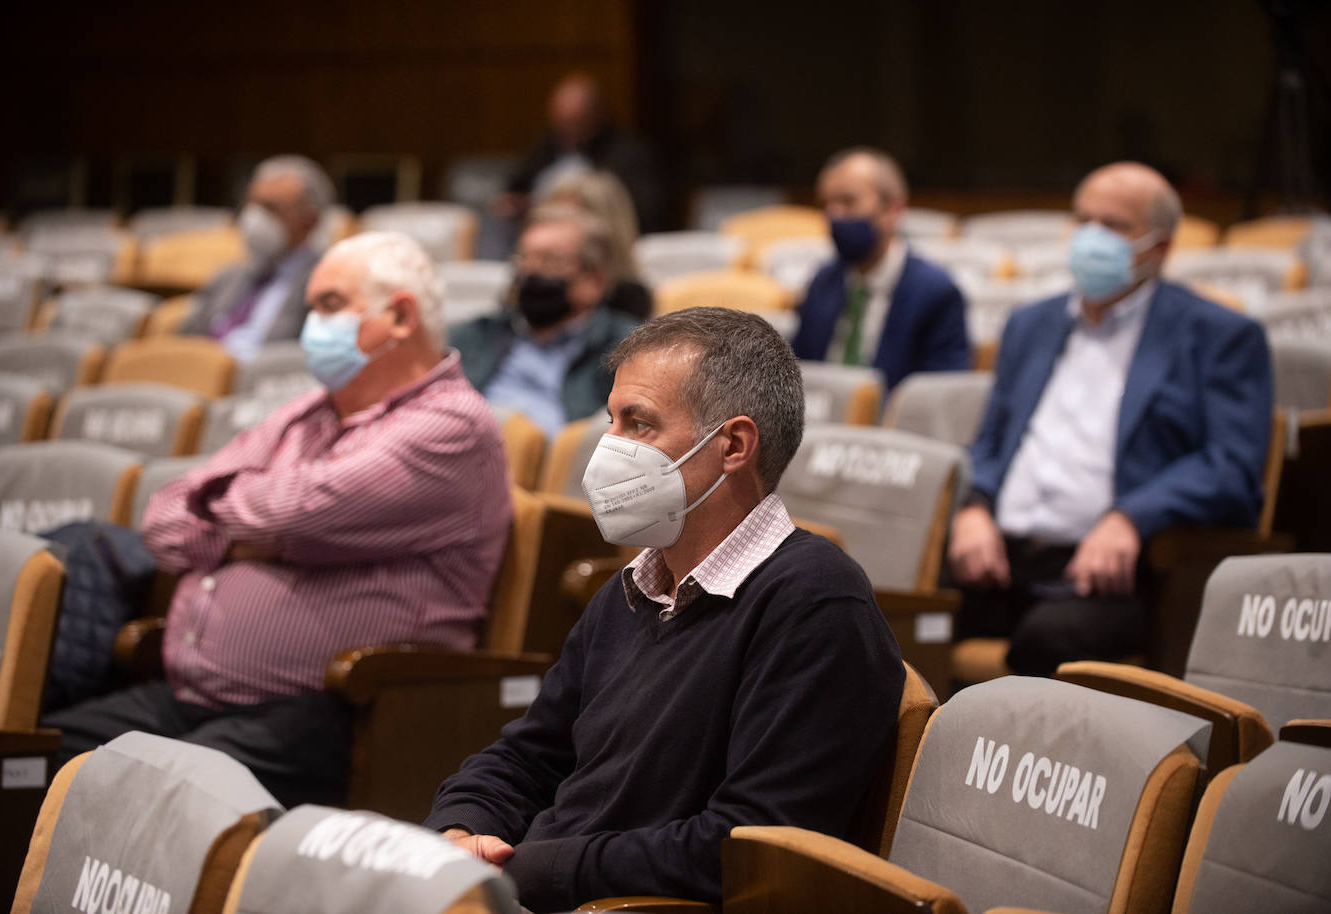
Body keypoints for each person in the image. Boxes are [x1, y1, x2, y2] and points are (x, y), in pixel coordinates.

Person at [426, 307, 904, 912]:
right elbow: (527, 756)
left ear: (732, 445)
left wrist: (527, 869)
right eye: (611, 420)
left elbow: (750, 848)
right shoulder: (633, 588)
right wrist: (460, 833)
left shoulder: (815, 603)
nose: (608, 448)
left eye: (639, 424)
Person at [43, 232, 512, 806]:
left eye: (330, 305)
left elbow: (297, 515)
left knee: (143, 798)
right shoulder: (305, 413)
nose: (310, 324)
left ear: (400, 316)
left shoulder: (453, 425)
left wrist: (243, 521)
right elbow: (166, 520)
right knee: (33, 768)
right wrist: (254, 532)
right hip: (190, 698)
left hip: (339, 710)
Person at [948, 162, 1274, 676]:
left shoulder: (1220, 336)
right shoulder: (1030, 324)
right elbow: (991, 440)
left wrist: (1132, 516)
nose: (1091, 237)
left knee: (1046, 640)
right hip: (1001, 560)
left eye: (1115, 226)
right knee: (879, 604)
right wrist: (975, 506)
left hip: (1116, 574)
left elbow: (1231, 466)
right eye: (1083, 220)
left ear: (1161, 246)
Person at [451, 204, 640, 435]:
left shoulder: (627, 351)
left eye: (550, 261)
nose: (531, 272)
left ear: (594, 280)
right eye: (524, 259)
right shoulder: (473, 335)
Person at [791, 147, 971, 389]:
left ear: (893, 209)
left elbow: (941, 396)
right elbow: (798, 375)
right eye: (827, 204)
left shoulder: (937, 293)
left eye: (848, 201)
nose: (834, 215)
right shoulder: (823, 282)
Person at [179, 155, 334, 362]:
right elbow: (181, 342)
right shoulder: (226, 276)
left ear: (309, 221)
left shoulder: (325, 284)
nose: (253, 217)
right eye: (251, 204)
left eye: (270, 208)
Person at [496, 72, 664, 234]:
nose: (567, 131)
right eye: (560, 122)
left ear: (597, 116)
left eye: (575, 122)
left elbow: (641, 213)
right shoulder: (548, 145)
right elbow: (516, 186)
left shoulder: (629, 154)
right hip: (539, 230)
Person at [543, 169, 653, 319]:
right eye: (554, 218)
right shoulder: (529, 281)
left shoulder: (629, 297)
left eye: (574, 221)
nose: (556, 232)